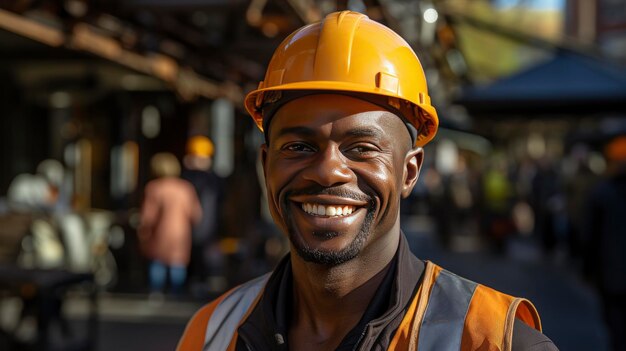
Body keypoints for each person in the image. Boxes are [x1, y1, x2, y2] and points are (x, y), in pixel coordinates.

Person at [178, 11, 557, 350]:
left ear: (409, 171)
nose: (328, 171)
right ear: (267, 166)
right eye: (298, 146)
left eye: (361, 148)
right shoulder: (210, 332)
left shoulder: (495, 340)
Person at [582, 136, 626, 351]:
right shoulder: (601, 193)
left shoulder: (602, 193)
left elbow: (590, 235)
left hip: (611, 274)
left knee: (615, 326)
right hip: (611, 272)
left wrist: (588, 269)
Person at [139, 152, 202, 295]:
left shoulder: (154, 188)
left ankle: (156, 293)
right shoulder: (185, 188)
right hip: (180, 233)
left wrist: (143, 232)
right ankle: (176, 293)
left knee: (157, 263)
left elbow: (148, 216)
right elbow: (195, 214)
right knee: (177, 264)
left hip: (159, 233)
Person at [181, 136, 224, 288]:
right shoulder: (214, 179)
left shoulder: (189, 178)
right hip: (207, 225)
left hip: (194, 226)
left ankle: (196, 281)